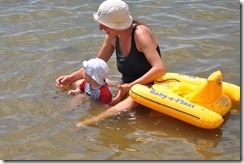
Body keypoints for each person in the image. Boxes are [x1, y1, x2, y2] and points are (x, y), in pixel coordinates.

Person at [56, 0, 166, 127]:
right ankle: (80, 101)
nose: (100, 28)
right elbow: (95, 66)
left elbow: (159, 69)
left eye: (104, 24)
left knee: (123, 106)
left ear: (116, 25)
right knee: (78, 83)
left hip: (147, 86)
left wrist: (130, 86)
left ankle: (92, 121)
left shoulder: (140, 34)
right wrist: (70, 77)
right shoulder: (113, 37)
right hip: (125, 84)